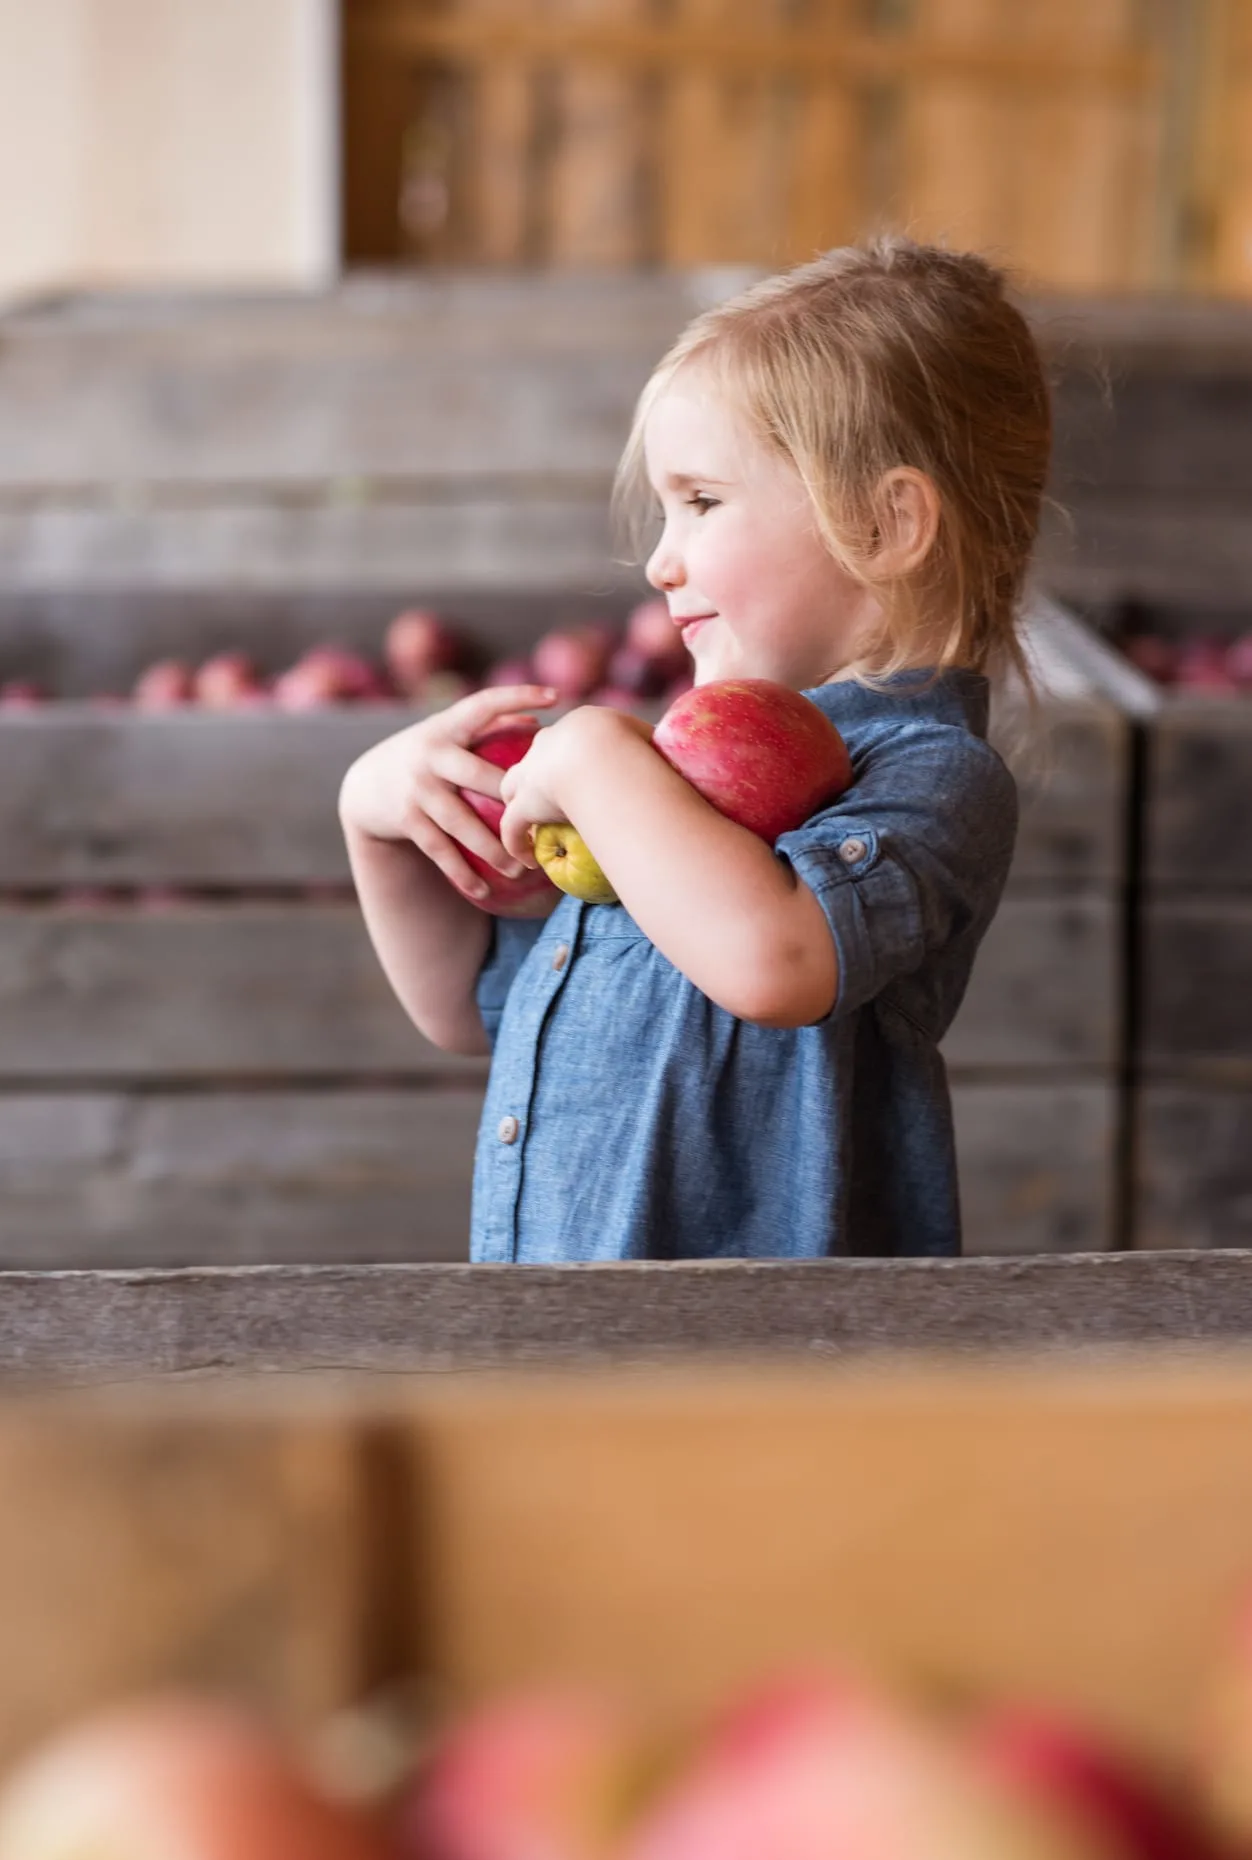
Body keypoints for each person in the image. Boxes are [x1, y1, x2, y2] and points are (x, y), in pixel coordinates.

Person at [339, 238, 1052, 1262]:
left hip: (757, 1379)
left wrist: (588, 754)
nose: (660, 559)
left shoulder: (928, 774)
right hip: (572, 1360)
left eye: (703, 502)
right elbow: (473, 1006)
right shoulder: (676, 782)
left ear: (888, 522)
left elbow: (776, 959)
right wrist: (374, 820)